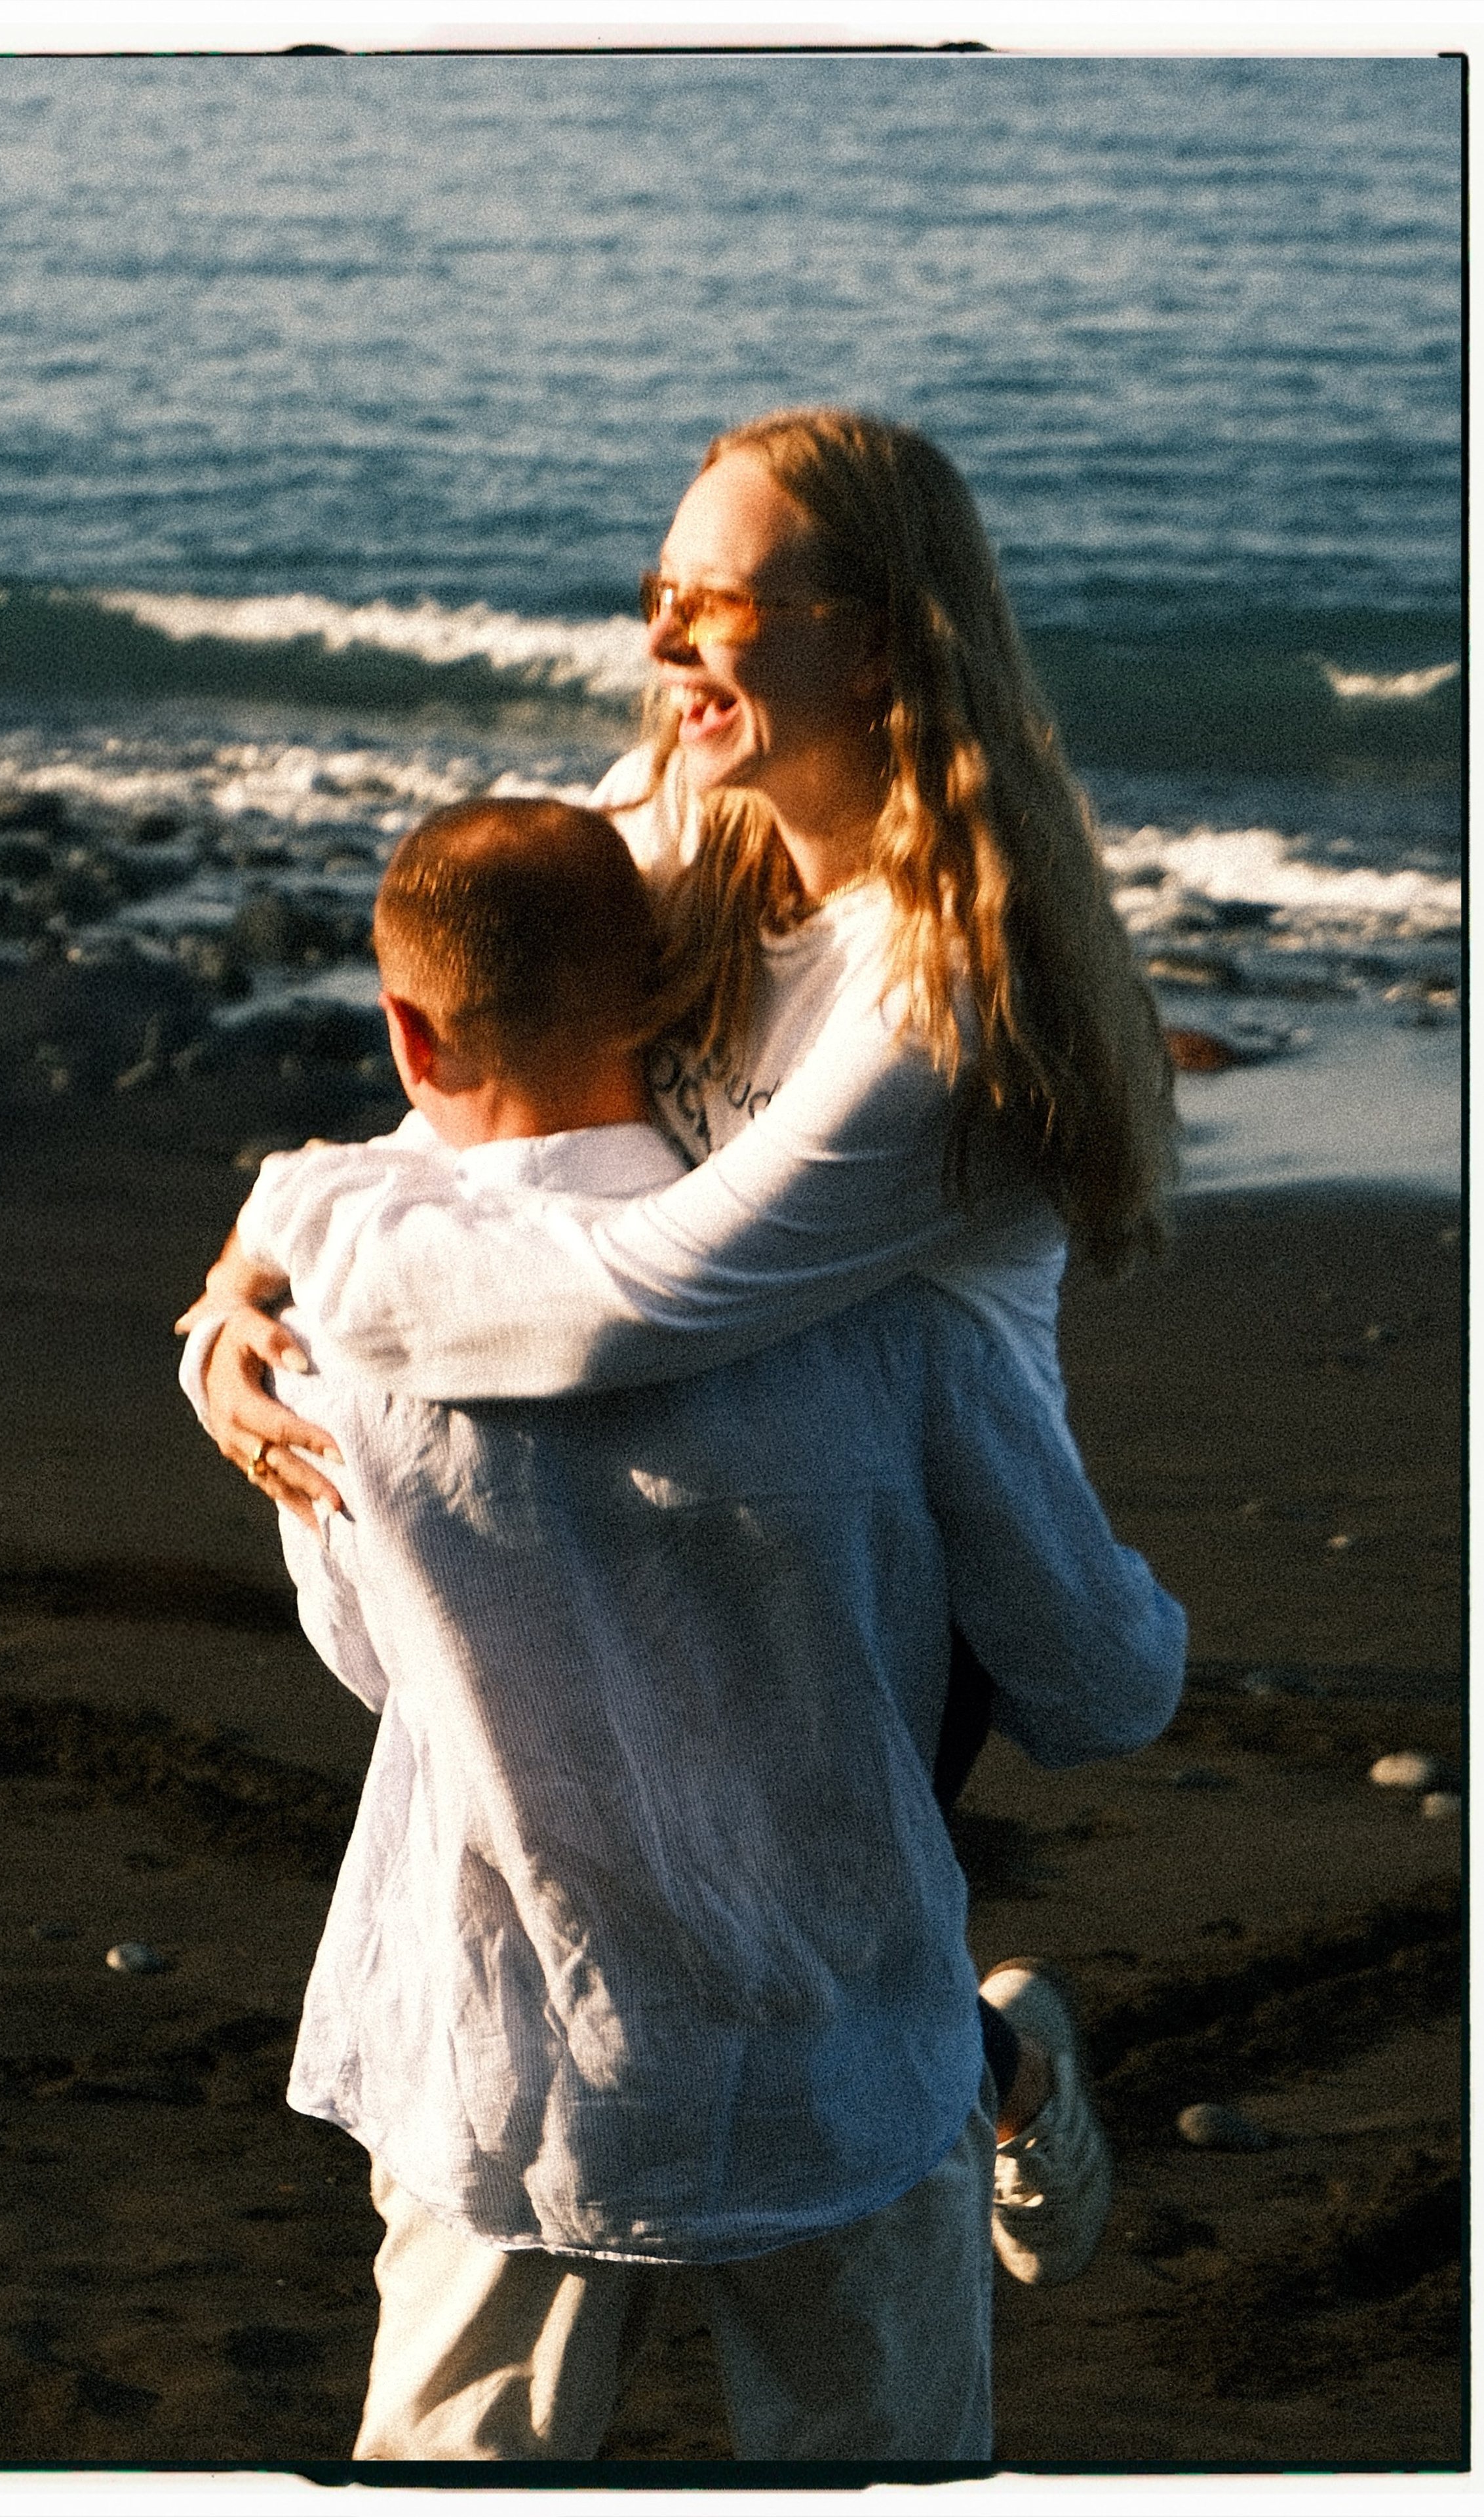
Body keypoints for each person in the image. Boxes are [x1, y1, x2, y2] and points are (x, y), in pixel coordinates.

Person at [180, 406, 1180, 2291]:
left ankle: (995, 2077)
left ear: (873, 642)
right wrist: (245, 1279)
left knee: (788, 1993)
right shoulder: (696, 814)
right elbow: (481, 1069)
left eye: (719, 603)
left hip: (897, 1560)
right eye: (662, 590)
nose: (662, 639)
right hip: (713, 1472)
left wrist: (313, 1244)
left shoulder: (939, 991)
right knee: (654, 1938)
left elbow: (631, 1303)